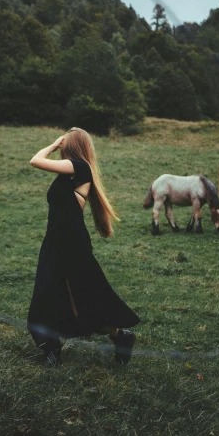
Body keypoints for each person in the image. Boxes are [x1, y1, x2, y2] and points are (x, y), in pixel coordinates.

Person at [27, 128, 140, 366]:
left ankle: (121, 336)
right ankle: (51, 350)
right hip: (54, 243)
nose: (61, 144)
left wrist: (53, 144)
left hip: (73, 244)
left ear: (72, 145)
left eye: (65, 141)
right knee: (47, 295)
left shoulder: (79, 167)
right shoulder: (67, 173)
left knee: (85, 297)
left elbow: (35, 160)